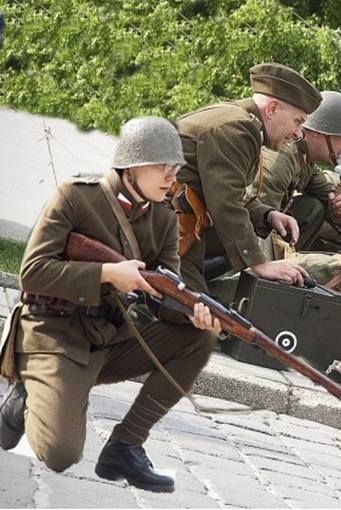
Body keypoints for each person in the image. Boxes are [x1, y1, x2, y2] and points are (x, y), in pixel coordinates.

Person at [0, 117, 221, 493]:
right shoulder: (77, 196)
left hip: (107, 337)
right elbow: (32, 273)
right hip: (54, 333)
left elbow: (165, 298)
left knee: (198, 339)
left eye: (176, 167)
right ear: (133, 165)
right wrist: (105, 273)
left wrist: (194, 313)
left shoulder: (165, 219)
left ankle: (126, 446)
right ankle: (27, 390)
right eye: (162, 166)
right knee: (60, 454)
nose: (171, 176)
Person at [174, 62, 322, 295]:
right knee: (191, 314)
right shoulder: (239, 127)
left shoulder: (240, 120)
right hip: (160, 227)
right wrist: (259, 263)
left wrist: (266, 214)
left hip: (174, 224)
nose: (298, 133)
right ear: (272, 109)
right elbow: (225, 201)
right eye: (298, 121)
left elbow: (224, 188)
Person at [256, 90, 341, 256]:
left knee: (314, 207)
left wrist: (339, 211)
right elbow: (257, 219)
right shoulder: (282, 157)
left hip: (258, 231)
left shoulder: (306, 161)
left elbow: (328, 198)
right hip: (238, 237)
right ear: (317, 133)